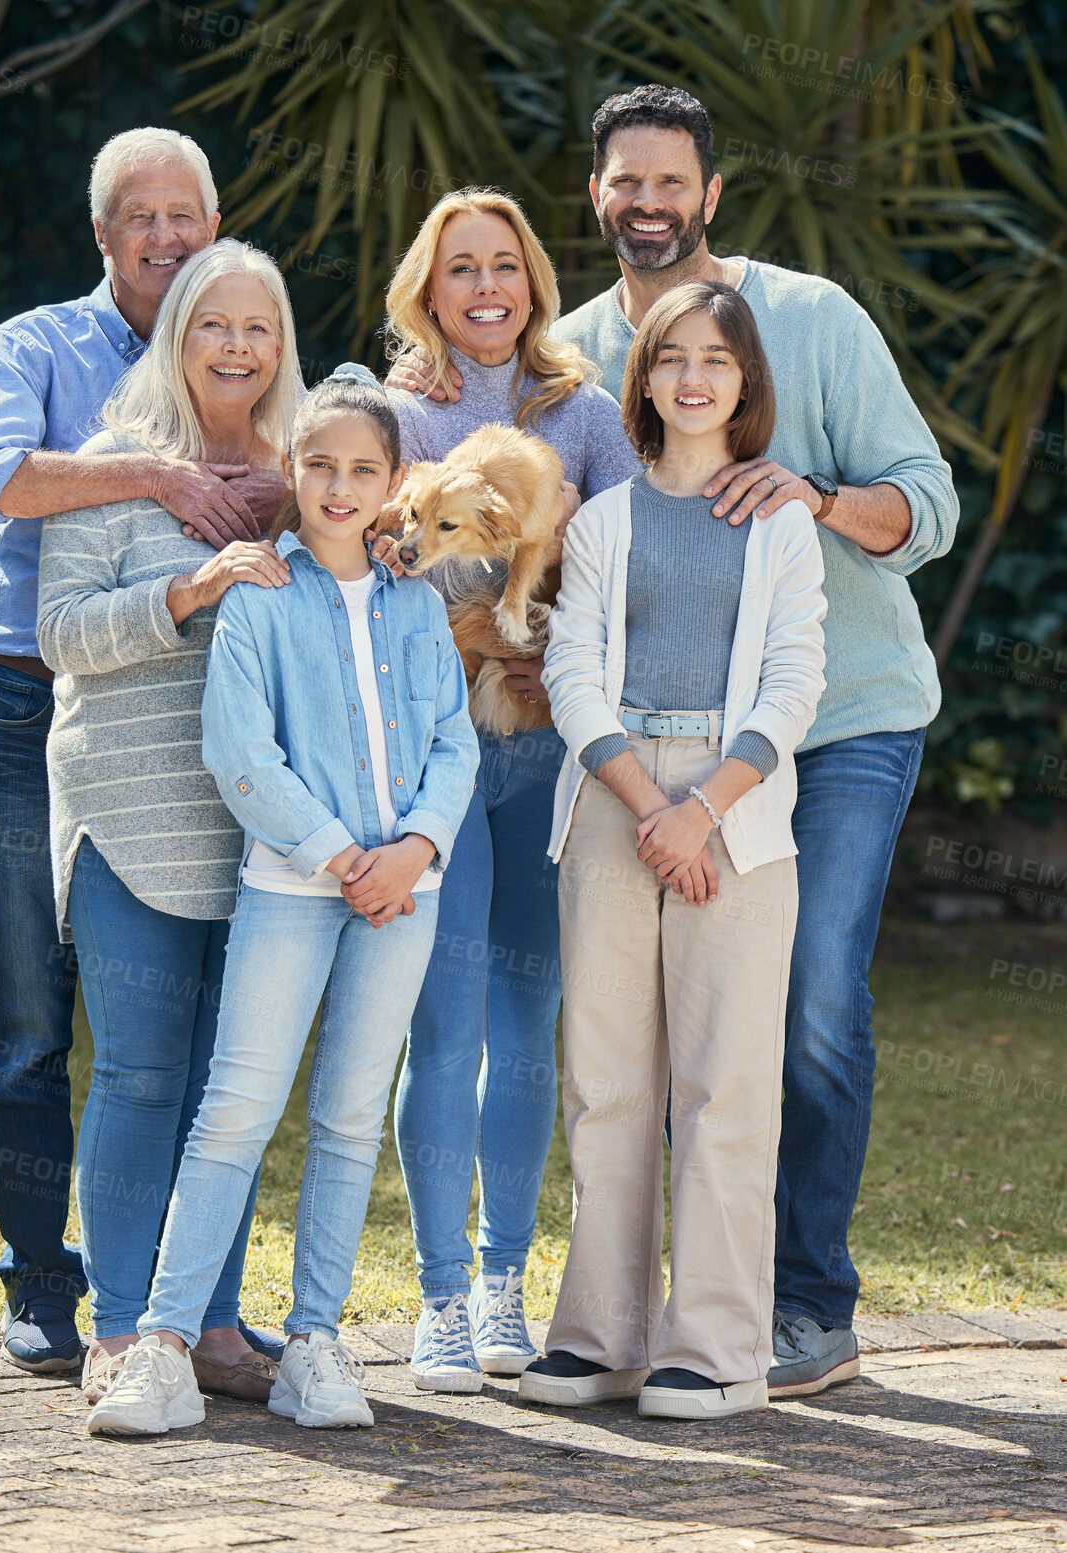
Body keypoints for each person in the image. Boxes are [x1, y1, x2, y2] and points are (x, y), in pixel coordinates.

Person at [392, 87, 959, 1397]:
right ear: (594, 198)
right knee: (621, 1047)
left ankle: (798, 1305)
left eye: (669, 183)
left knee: (806, 1003)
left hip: (838, 721)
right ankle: (624, 1325)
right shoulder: (577, 356)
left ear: (708, 195)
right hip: (636, 758)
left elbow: (922, 504)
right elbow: (514, 509)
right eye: (620, 183)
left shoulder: (810, 318)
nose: (644, 203)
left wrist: (813, 496)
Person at [84, 365, 480, 1438]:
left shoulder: (416, 602)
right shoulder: (259, 593)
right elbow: (239, 751)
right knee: (235, 1111)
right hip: (290, 890)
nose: (341, 488)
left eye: (363, 470)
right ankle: (162, 1347)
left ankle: (315, 1343)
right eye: (321, 466)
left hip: (409, 894)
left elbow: (453, 737)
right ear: (293, 472)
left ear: (395, 480)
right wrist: (341, 853)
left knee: (352, 1117)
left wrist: (415, 848)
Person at [0, 128, 289, 1373]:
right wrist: (153, 474)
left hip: (207, 736)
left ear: (214, 225)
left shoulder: (262, 383)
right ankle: (52, 1279)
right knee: (38, 1019)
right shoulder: (41, 346)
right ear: (104, 234)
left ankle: (192, 1307)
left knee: (210, 1049)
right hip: (38, 705)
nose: (164, 234)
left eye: (184, 213)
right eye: (138, 216)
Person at [520, 280, 826, 1418]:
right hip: (613, 793)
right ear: (642, 377)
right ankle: (600, 1337)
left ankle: (714, 1348)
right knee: (605, 1079)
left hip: (737, 809)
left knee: (727, 1083)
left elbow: (796, 680)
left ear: (746, 382)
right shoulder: (602, 520)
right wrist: (652, 802)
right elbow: (571, 672)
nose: (694, 376)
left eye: (718, 359)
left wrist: (704, 810)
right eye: (671, 357)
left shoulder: (781, 522)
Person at [378, 189, 643, 1394]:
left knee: (525, 1027)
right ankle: (436, 1295)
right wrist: (487, 628)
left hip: (542, 753)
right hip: (431, 760)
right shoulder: (391, 411)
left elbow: (623, 575)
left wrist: (522, 621)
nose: (486, 287)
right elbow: (377, 584)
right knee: (442, 1021)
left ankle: (501, 1281)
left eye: (505, 266)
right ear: (427, 291)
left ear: (534, 282)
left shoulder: (583, 413)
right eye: (459, 269)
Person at [36, 240, 301, 1403]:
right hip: (129, 815)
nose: (237, 347)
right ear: (176, 334)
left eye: (258, 328)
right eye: (214, 325)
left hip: (262, 830)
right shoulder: (112, 465)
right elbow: (64, 636)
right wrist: (191, 592)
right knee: (143, 1074)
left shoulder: (308, 478)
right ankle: (122, 1325)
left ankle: (210, 1324)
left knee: (229, 1088)